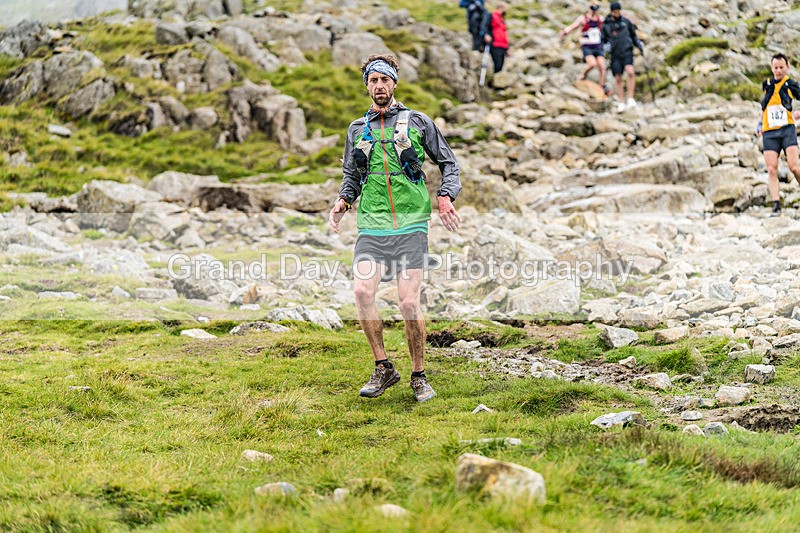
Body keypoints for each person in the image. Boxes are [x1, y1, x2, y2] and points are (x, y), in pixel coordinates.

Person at [329, 54, 462, 403]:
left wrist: (445, 196)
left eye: (384, 80)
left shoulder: (417, 122)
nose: (379, 86)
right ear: (368, 86)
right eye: (373, 81)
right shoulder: (357, 129)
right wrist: (343, 201)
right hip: (372, 224)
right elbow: (351, 175)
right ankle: (384, 367)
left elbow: (449, 163)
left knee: (407, 302)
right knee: (361, 293)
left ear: (394, 83)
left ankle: (419, 375)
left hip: (411, 224)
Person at [756, 53, 800, 215]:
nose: (779, 70)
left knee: (794, 166)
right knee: (772, 169)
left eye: (782, 67)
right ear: (771, 68)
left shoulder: (791, 84)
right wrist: (760, 124)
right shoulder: (766, 84)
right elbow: (765, 106)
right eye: (776, 67)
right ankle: (776, 205)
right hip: (769, 131)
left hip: (787, 129)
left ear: (787, 67)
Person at [601, 1, 643, 112]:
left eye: (618, 11)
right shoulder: (606, 24)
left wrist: (639, 45)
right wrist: (605, 47)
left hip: (627, 51)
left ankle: (630, 98)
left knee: (630, 72)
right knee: (618, 78)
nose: (617, 13)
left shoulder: (626, 22)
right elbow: (602, 40)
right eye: (615, 11)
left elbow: (633, 35)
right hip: (615, 54)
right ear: (611, 11)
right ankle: (621, 102)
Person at [560, 3, 606, 89]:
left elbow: (609, 24)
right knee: (592, 64)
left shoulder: (600, 19)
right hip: (587, 46)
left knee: (602, 66)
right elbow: (573, 26)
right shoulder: (583, 18)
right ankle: (582, 76)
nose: (594, 9)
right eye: (593, 7)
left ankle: (602, 86)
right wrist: (565, 31)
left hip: (598, 46)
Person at [483, 2, 509, 73]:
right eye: (505, 9)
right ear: (501, 8)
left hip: (502, 45)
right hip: (495, 44)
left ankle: (497, 81)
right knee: (497, 65)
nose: (506, 11)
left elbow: (504, 34)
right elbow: (484, 26)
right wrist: (486, 35)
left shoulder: (501, 19)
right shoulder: (491, 16)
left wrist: (507, 48)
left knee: (501, 65)